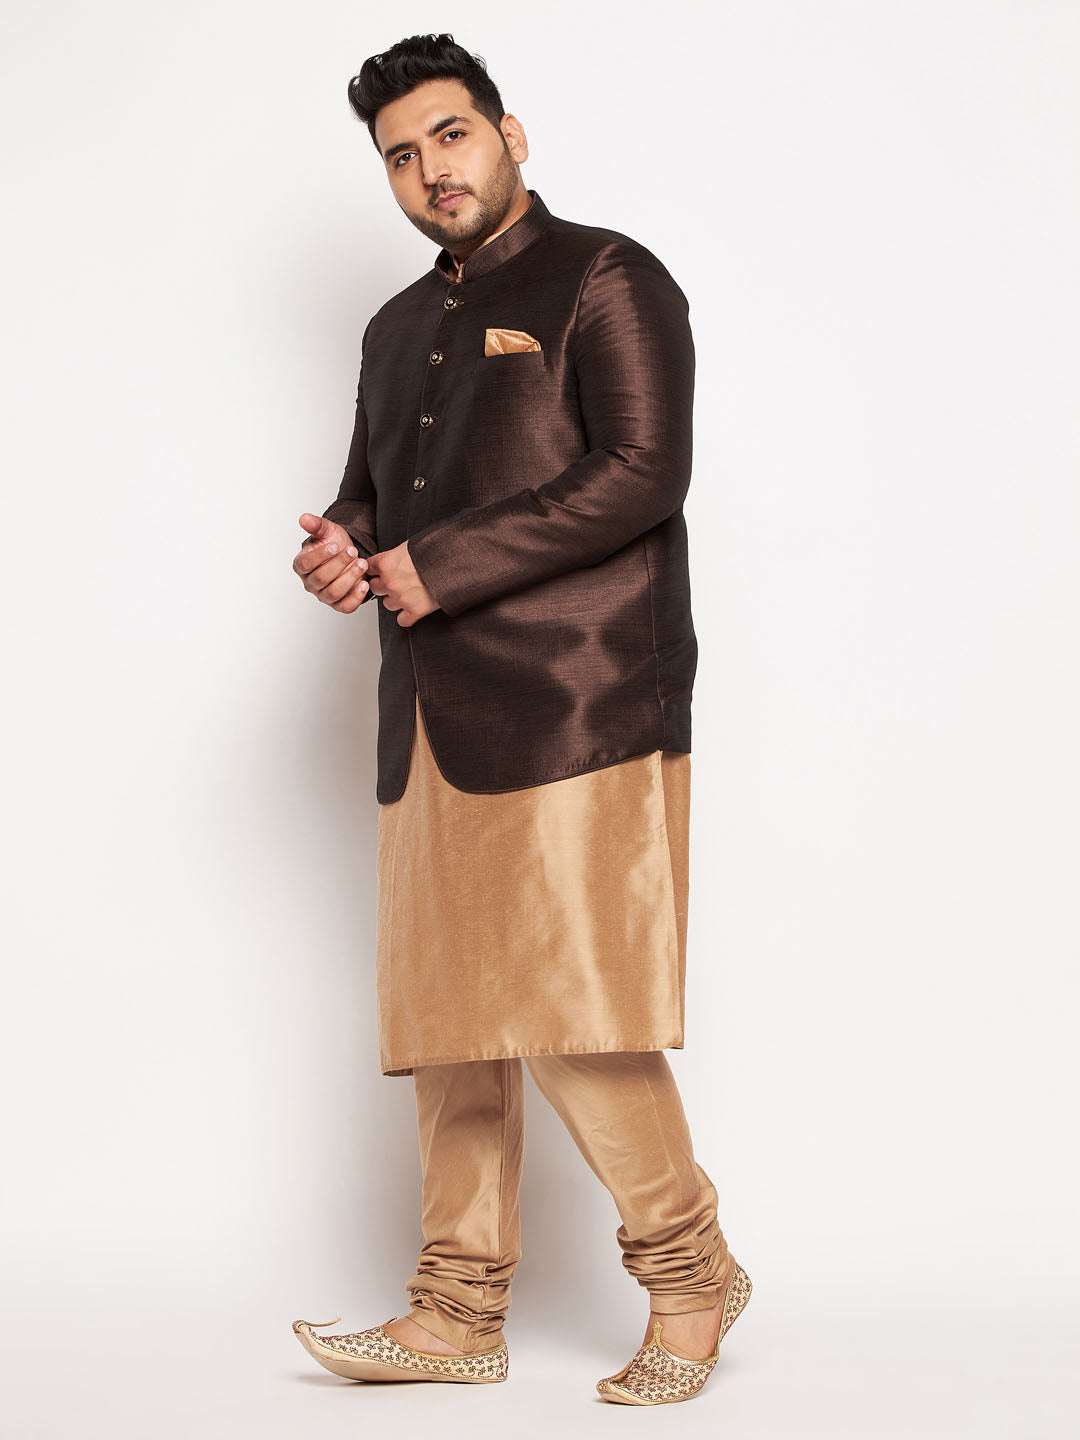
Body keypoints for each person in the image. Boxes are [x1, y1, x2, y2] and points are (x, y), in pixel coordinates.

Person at [289, 32, 751, 1405]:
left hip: (576, 702)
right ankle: (456, 1311)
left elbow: (645, 470)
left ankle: (691, 1274)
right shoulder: (392, 328)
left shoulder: (607, 277)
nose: (431, 169)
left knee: (569, 1006)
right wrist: (345, 548)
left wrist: (440, 565)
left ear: (510, 135)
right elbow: (372, 493)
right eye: (401, 154)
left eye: (451, 135)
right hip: (430, 712)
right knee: (450, 1019)